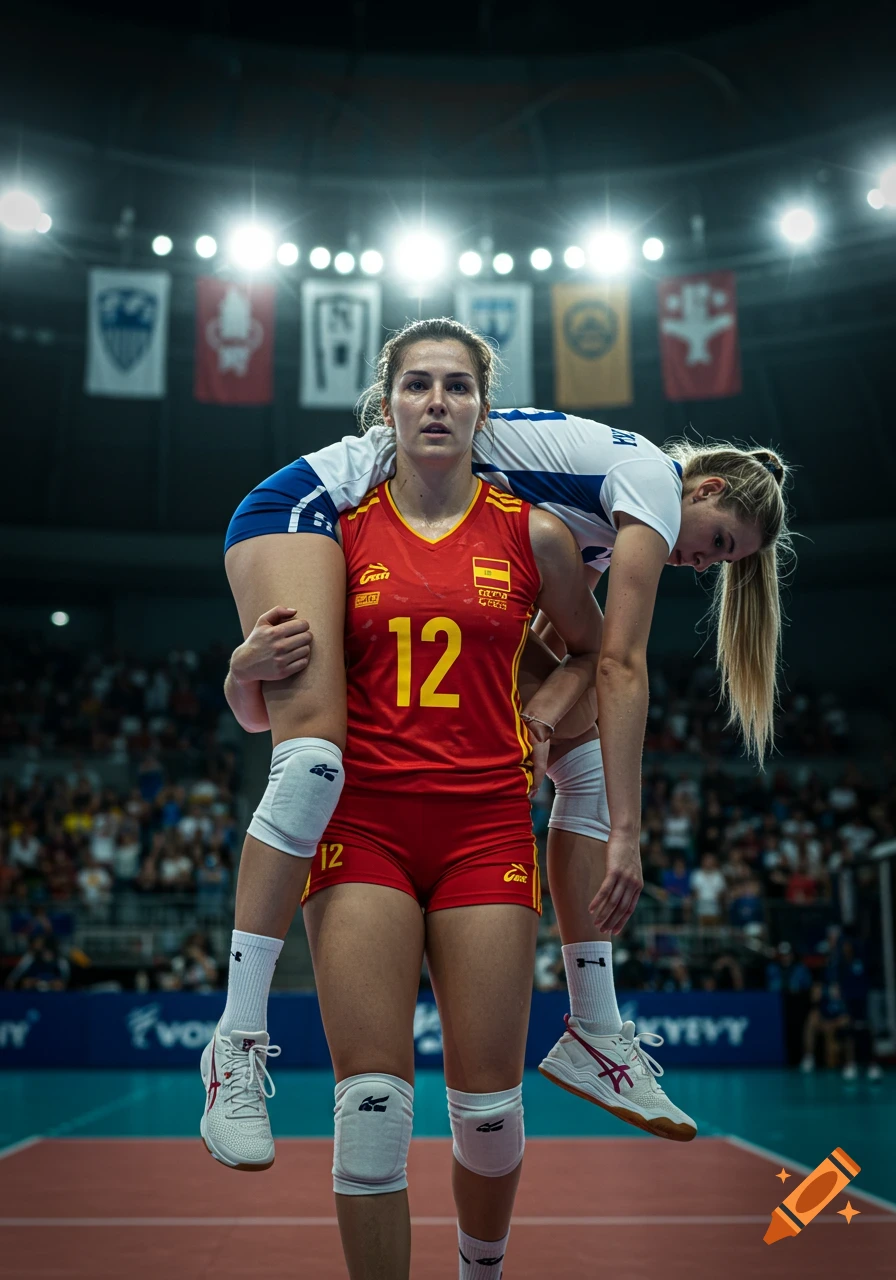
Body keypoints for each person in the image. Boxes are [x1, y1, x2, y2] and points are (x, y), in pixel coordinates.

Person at [216, 316, 789, 1153]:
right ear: (703, 495)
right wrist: (632, 834)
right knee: (309, 762)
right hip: (311, 508)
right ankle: (233, 1043)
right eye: (720, 545)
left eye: (722, 562)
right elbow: (623, 665)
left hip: (430, 565)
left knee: (582, 768)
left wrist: (547, 719)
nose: (703, 564)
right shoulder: (654, 489)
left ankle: (595, 1026)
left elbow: (568, 665)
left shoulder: (574, 525)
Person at [206, 328, 607, 1278]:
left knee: (490, 1113)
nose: (437, 401)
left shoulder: (534, 532)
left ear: (481, 409)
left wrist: (547, 709)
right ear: (386, 406)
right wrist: (237, 675)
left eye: (457, 387)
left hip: (487, 827)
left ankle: (481, 1269)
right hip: (366, 832)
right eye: (417, 385)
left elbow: (593, 655)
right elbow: (280, 711)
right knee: (372, 1110)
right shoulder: (335, 534)